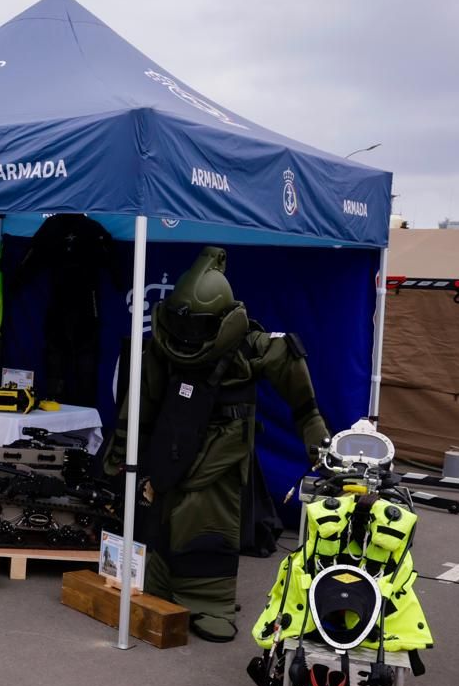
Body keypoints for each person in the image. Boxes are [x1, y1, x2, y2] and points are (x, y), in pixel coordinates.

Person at [103, 247, 328, 642]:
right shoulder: (162, 349)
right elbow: (139, 406)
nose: (187, 334)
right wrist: (120, 455)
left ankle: (211, 603)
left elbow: (290, 367)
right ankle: (161, 586)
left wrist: (315, 432)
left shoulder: (247, 346)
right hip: (169, 450)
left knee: (209, 524)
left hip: (221, 457)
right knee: (162, 521)